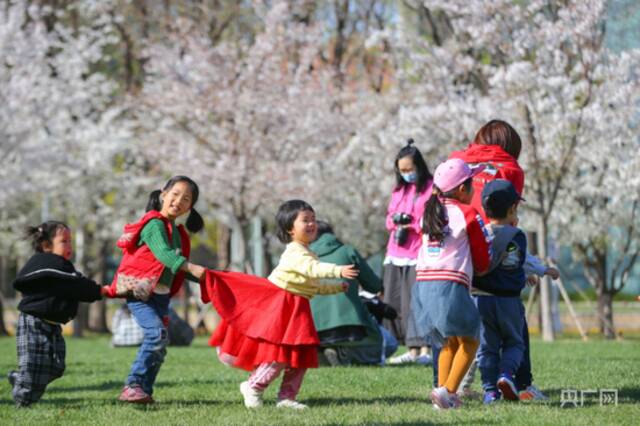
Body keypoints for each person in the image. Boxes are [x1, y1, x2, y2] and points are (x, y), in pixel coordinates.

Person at [200, 200, 358, 410]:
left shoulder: (308, 251)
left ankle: (287, 397)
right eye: (305, 220)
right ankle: (253, 386)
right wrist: (337, 271)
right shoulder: (295, 251)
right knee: (279, 354)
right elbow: (311, 269)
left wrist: (336, 287)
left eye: (313, 219)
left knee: (300, 356)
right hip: (282, 306)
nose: (311, 224)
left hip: (297, 308)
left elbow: (312, 285)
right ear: (290, 229)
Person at [450, 119, 558, 400]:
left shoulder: (458, 163)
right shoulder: (510, 169)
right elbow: (506, 221)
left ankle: (458, 386)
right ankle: (522, 383)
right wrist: (521, 264)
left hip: (458, 256)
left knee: (469, 329)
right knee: (514, 330)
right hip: (497, 261)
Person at [105, 176, 207, 404]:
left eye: (186, 199)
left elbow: (177, 268)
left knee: (160, 346)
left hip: (160, 298)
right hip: (140, 295)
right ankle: (133, 384)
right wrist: (194, 268)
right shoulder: (154, 224)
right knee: (157, 335)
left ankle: (144, 391)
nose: (179, 201)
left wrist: (208, 278)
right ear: (163, 194)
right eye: (175, 194)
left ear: (190, 207)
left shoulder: (177, 232)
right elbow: (165, 255)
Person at [411, 158, 491, 410]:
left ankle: (442, 396)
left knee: (448, 342)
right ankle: (449, 391)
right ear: (461, 189)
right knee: (471, 340)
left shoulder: (427, 211)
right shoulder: (467, 213)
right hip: (450, 283)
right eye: (471, 184)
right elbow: (481, 254)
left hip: (424, 284)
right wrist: (483, 268)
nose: (474, 189)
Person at [8, 221, 110, 407]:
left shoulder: (62, 266)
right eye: (64, 241)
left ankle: (19, 379)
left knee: (56, 367)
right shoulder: (46, 262)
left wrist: (100, 291)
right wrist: (101, 290)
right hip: (33, 323)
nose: (69, 246)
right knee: (33, 367)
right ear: (47, 246)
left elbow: (76, 287)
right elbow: (76, 284)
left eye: (71, 241)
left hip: (52, 325)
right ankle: (23, 401)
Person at [471, 179, 529, 404]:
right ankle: (506, 375)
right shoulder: (518, 236)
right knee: (515, 343)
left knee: (487, 348)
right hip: (509, 302)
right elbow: (517, 263)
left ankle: (489, 391)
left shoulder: (480, 234)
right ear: (513, 208)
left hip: (481, 301)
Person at [309, 221, 398, 366]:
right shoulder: (347, 251)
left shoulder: (301, 259)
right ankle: (344, 353)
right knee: (390, 344)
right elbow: (374, 286)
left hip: (312, 330)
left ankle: (324, 353)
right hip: (351, 327)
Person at [383, 139, 434, 365]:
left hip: (418, 252)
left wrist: (412, 224)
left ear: (419, 166)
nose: (406, 174)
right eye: (402, 170)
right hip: (396, 252)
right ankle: (410, 349)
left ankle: (425, 348)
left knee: (418, 301)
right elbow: (388, 219)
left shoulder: (431, 188)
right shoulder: (399, 190)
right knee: (398, 302)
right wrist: (396, 222)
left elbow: (431, 219)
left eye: (410, 169)